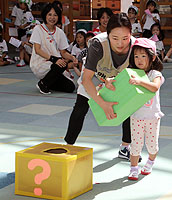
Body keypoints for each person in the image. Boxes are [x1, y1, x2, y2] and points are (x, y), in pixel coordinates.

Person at [64, 13, 138, 161]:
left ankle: (125, 147)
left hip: (117, 78)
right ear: (107, 33)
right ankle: (68, 146)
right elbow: (86, 80)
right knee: (80, 107)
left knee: (130, 108)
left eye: (125, 38)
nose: (120, 43)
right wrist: (103, 104)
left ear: (131, 34)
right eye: (115, 38)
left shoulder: (136, 47)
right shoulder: (98, 44)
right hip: (95, 76)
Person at [127, 38, 164, 180]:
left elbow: (155, 87)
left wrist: (140, 81)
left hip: (152, 116)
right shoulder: (132, 73)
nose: (139, 59)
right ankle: (133, 168)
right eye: (136, 56)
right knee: (135, 145)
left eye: (143, 56)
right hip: (136, 116)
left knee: (152, 145)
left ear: (152, 57)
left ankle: (151, 161)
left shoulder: (155, 74)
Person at [30, 3, 77, 95]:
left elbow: (63, 52)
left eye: (55, 15)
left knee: (70, 87)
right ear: (45, 15)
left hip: (55, 65)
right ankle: (43, 83)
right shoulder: (38, 29)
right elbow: (37, 50)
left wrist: (72, 58)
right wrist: (53, 59)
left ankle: (48, 82)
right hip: (41, 64)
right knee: (62, 64)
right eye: (50, 14)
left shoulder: (59, 32)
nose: (52, 17)